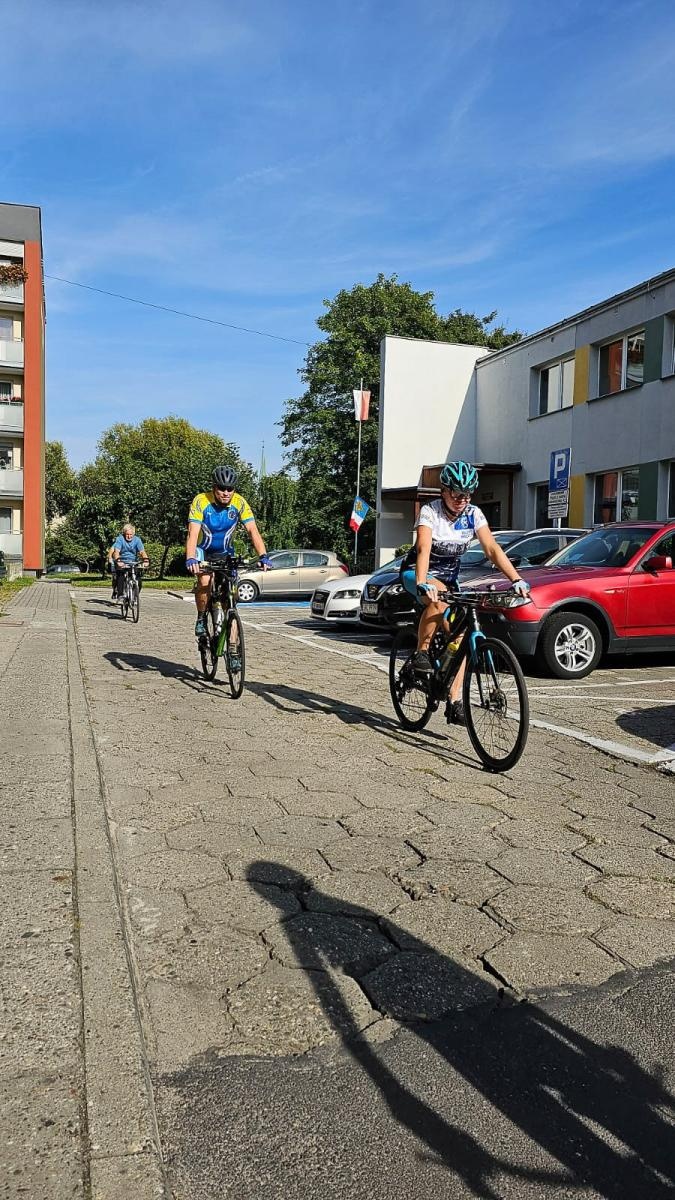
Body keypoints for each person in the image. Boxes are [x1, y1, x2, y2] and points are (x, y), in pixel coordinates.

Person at [400, 460, 530, 725]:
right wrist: (424, 582)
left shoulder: (473, 514)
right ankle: (421, 653)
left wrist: (516, 578)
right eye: (457, 493)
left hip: (450, 580)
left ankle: (454, 698)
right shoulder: (430, 512)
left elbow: (492, 549)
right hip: (418, 573)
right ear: (444, 491)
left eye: (468, 494)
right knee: (437, 600)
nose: (462, 499)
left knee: (465, 636)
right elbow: (423, 548)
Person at [186, 465, 271, 637]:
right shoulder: (201, 501)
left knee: (230, 595)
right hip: (203, 551)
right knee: (204, 582)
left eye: (230, 489)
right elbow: (192, 532)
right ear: (214, 487)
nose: (226, 492)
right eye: (221, 488)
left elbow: (252, 530)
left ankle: (233, 647)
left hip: (226, 552)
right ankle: (201, 617)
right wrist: (190, 558)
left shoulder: (239, 502)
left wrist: (263, 555)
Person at [110, 523, 149, 600]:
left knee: (138, 579)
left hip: (133, 562)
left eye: (131, 534)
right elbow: (116, 552)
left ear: (133, 534)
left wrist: (145, 560)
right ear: (124, 534)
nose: (129, 536)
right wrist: (118, 561)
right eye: (127, 534)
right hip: (122, 561)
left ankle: (135, 595)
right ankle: (120, 594)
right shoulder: (120, 539)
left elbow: (142, 552)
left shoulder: (137, 540)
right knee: (120, 575)